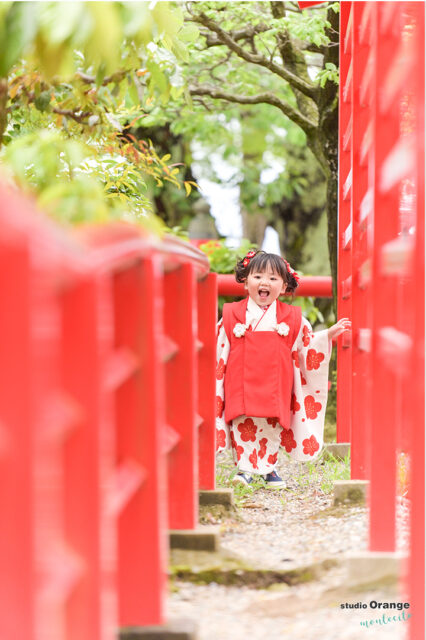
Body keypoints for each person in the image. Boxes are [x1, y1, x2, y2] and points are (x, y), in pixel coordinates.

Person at [215, 250, 351, 489]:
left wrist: (327, 335)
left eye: (273, 278)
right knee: (242, 423)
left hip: (275, 383)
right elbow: (220, 346)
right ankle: (245, 469)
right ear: (245, 282)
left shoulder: (291, 318)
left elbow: (307, 344)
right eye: (257, 276)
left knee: (271, 425)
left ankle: (269, 467)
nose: (264, 282)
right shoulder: (232, 315)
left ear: (285, 285)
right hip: (240, 381)